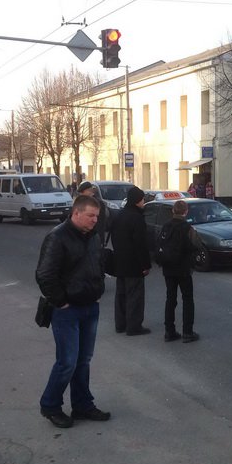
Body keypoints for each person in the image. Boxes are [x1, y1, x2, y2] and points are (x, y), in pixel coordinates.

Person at [35, 194, 110, 428]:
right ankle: (50, 406)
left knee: (83, 360)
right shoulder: (57, 237)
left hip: (90, 306)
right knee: (67, 361)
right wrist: (61, 302)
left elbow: (98, 264)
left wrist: (98, 289)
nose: (95, 220)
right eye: (90, 216)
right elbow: (45, 274)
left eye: (97, 216)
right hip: (67, 311)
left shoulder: (93, 236)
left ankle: (82, 405)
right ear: (76, 213)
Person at [110, 186, 152, 336]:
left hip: (119, 262)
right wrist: (145, 265)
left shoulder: (119, 215)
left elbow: (113, 237)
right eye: (142, 199)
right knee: (135, 296)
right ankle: (134, 326)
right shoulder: (137, 218)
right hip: (134, 264)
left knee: (121, 295)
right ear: (137, 201)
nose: (143, 202)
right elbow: (141, 244)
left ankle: (120, 324)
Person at [160, 200, 203, 343]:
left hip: (168, 268)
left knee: (170, 299)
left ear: (173, 211)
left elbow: (159, 243)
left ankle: (169, 331)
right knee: (187, 299)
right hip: (184, 269)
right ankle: (187, 332)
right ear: (186, 212)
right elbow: (197, 244)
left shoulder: (166, 226)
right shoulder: (188, 228)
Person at [78, 181, 109, 247]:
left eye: (82, 193)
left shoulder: (96, 203)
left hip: (93, 238)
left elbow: (99, 223)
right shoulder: (86, 202)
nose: (80, 195)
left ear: (88, 191)